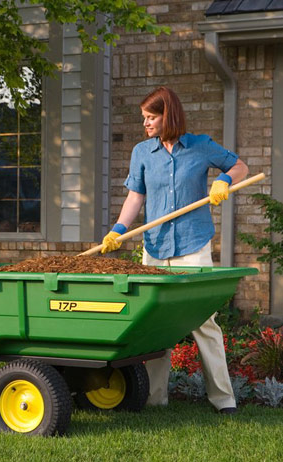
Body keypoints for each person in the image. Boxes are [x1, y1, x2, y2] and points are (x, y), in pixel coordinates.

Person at [100, 86, 249, 414]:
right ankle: (154, 399)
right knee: (155, 324)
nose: (146, 124)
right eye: (144, 118)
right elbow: (135, 197)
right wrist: (118, 230)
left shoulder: (200, 146)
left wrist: (224, 179)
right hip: (154, 247)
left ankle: (224, 401)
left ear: (168, 116)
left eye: (151, 117)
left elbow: (241, 168)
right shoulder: (142, 152)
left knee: (204, 321)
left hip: (193, 246)